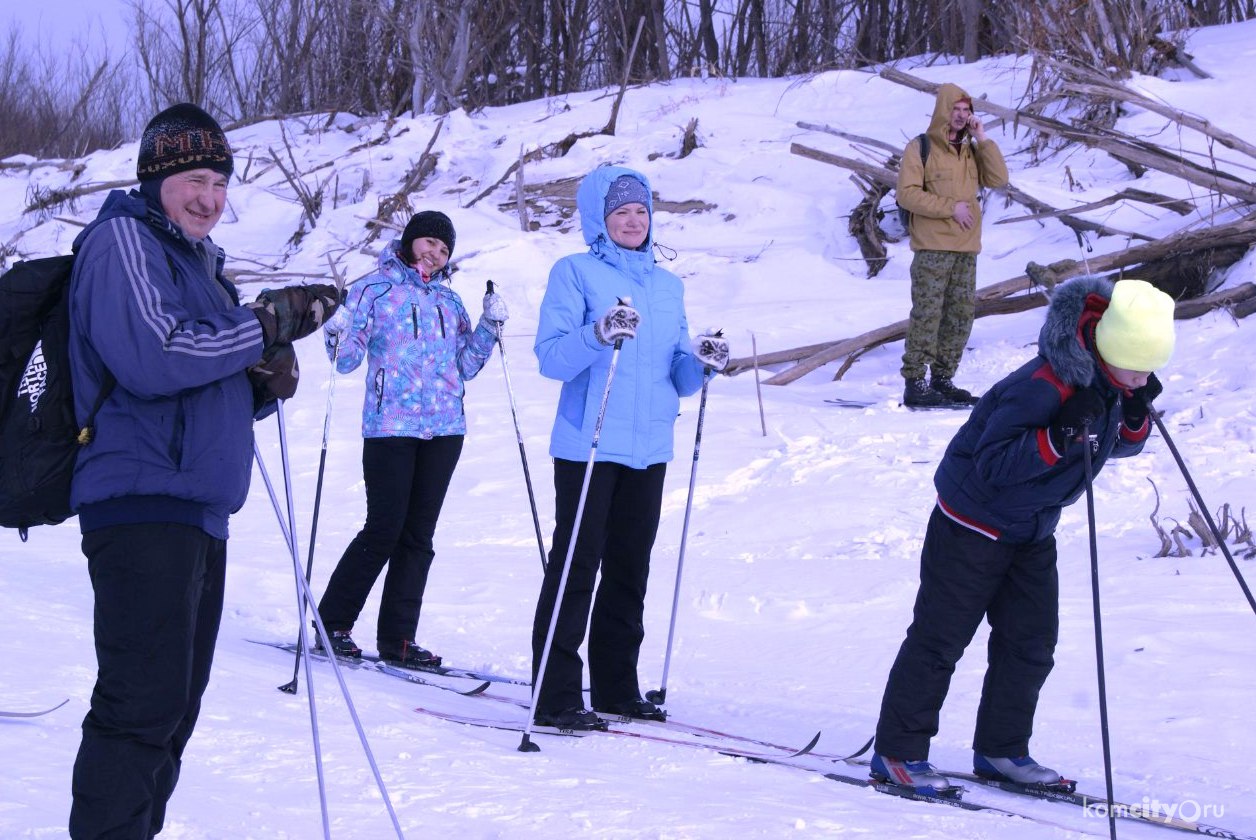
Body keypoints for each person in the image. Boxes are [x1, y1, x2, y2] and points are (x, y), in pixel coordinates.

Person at [67, 102, 338, 839]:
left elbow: (194, 372)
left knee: (173, 709)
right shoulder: (122, 239)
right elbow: (155, 357)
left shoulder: (199, 264)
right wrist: (264, 323)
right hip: (140, 502)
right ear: (155, 177)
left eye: (219, 182)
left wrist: (254, 383)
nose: (209, 198)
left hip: (197, 508)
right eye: (193, 178)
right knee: (140, 706)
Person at [870, 276, 1176, 793]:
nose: (1143, 376)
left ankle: (1001, 750)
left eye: (1151, 367)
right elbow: (993, 464)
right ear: (1110, 349)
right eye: (1138, 366)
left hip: (1033, 526)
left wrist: (1134, 415)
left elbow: (1109, 447)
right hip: (972, 521)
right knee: (940, 641)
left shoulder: (1111, 381)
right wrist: (1056, 436)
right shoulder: (1044, 384)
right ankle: (898, 753)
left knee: (1030, 644)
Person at [528, 165, 730, 731]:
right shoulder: (574, 273)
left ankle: (618, 687)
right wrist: (598, 334)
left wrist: (702, 362)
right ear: (600, 219)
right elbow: (550, 359)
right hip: (588, 446)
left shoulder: (669, 286)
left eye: (640, 210)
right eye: (621, 212)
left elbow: (677, 376)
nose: (633, 221)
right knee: (576, 567)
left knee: (629, 569)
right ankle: (555, 693)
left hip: (648, 448)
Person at [313, 210, 505, 668]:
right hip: (390, 428)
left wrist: (489, 328)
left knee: (419, 535)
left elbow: (467, 366)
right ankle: (331, 623)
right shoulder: (372, 290)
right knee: (384, 528)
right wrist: (336, 331)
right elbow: (345, 361)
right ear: (410, 240)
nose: (435, 255)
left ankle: (398, 638)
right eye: (429, 243)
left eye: (444, 250)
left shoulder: (449, 301)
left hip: (444, 430)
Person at [897, 82, 1009, 408]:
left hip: (966, 247)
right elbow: (907, 194)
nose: (960, 116)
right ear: (944, 111)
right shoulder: (920, 148)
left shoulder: (972, 150)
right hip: (932, 247)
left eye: (966, 111)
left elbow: (1000, 180)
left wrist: (983, 138)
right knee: (928, 314)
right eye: (955, 110)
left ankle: (943, 380)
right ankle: (915, 383)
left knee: (960, 316)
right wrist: (951, 208)